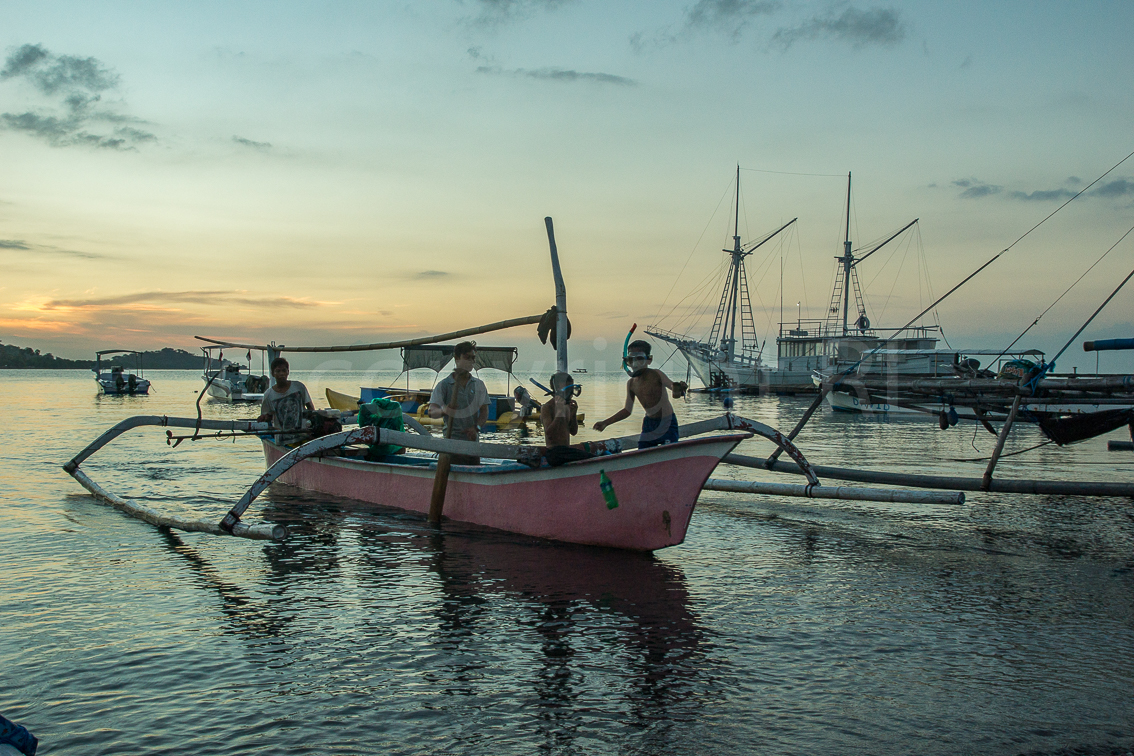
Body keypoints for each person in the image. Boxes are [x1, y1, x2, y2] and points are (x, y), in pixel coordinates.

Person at [593, 340, 688, 449]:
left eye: (639, 359)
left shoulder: (656, 374)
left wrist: (681, 388)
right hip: (649, 424)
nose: (635, 364)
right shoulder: (631, 384)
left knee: (668, 453)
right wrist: (606, 422)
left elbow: (673, 387)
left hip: (666, 422)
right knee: (642, 451)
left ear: (649, 360)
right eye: (631, 360)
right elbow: (627, 410)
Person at [428, 341, 489, 465]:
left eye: (473, 358)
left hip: (472, 444)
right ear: (457, 358)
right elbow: (431, 412)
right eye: (467, 357)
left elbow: (484, 411)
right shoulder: (444, 385)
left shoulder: (478, 385)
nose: (471, 361)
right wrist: (445, 410)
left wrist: (476, 428)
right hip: (452, 444)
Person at [540, 372, 591, 467]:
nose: (571, 393)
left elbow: (573, 431)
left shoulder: (567, 406)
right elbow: (550, 434)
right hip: (554, 452)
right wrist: (559, 413)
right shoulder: (547, 407)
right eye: (569, 388)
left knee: (591, 457)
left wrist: (573, 414)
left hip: (566, 450)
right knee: (590, 458)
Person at [258, 356, 315, 432]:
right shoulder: (268, 395)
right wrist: (264, 418)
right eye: (278, 371)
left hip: (302, 433)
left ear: (288, 372)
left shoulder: (299, 387)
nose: (281, 374)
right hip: (282, 436)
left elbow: (310, 408)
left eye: (284, 370)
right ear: (272, 374)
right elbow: (269, 416)